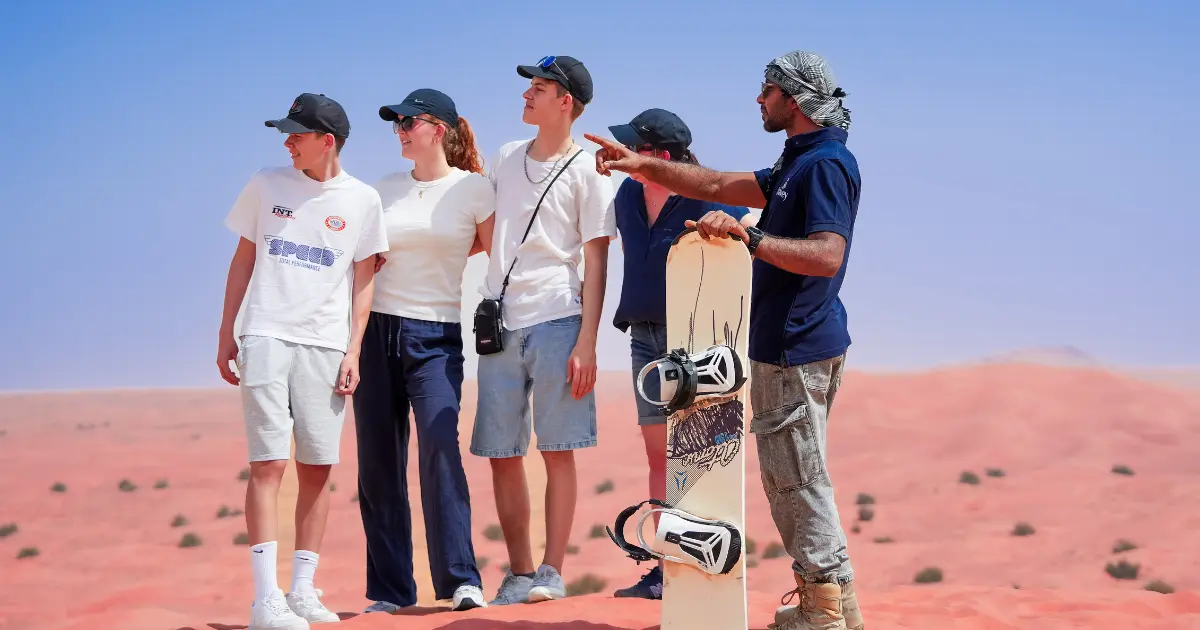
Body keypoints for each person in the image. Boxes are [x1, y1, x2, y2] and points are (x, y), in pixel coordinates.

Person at [585, 50, 865, 630]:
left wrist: (752, 237)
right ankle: (837, 605)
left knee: (797, 480)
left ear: (794, 98)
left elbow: (828, 254)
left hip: (799, 344)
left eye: (767, 90)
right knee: (794, 477)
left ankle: (823, 612)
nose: (758, 100)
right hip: (783, 345)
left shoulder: (827, 164)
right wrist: (638, 163)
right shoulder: (797, 161)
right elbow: (711, 181)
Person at [216, 92, 389, 630]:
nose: (287, 142)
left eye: (297, 134)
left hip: (326, 347)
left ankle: (302, 591)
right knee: (268, 464)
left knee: (317, 468)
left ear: (327, 141)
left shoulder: (362, 200)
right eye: (286, 134)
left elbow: (365, 283)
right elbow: (242, 259)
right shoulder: (266, 184)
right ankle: (264, 600)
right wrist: (227, 331)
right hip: (265, 334)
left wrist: (354, 350)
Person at [470, 54, 616, 606]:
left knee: (559, 449)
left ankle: (553, 571)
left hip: (560, 320)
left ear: (566, 102)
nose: (527, 95)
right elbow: (483, 229)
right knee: (503, 452)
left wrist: (588, 341)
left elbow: (597, 263)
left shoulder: (589, 171)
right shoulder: (507, 157)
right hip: (500, 322)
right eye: (528, 86)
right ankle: (518, 572)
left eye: (540, 88)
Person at [603, 107, 757, 600]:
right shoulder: (627, 195)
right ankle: (664, 567)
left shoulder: (704, 193)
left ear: (662, 158)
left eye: (636, 147)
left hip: (691, 342)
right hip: (641, 337)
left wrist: (732, 224)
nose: (626, 152)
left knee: (694, 452)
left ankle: (698, 569)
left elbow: (756, 224)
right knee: (658, 454)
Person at [352, 89, 495, 615]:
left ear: (438, 128)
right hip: (375, 334)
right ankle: (391, 591)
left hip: (435, 335)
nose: (400, 131)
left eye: (408, 122)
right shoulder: (381, 190)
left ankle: (460, 579)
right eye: (396, 124)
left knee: (439, 444)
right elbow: (362, 257)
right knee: (378, 462)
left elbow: (491, 248)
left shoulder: (474, 189)